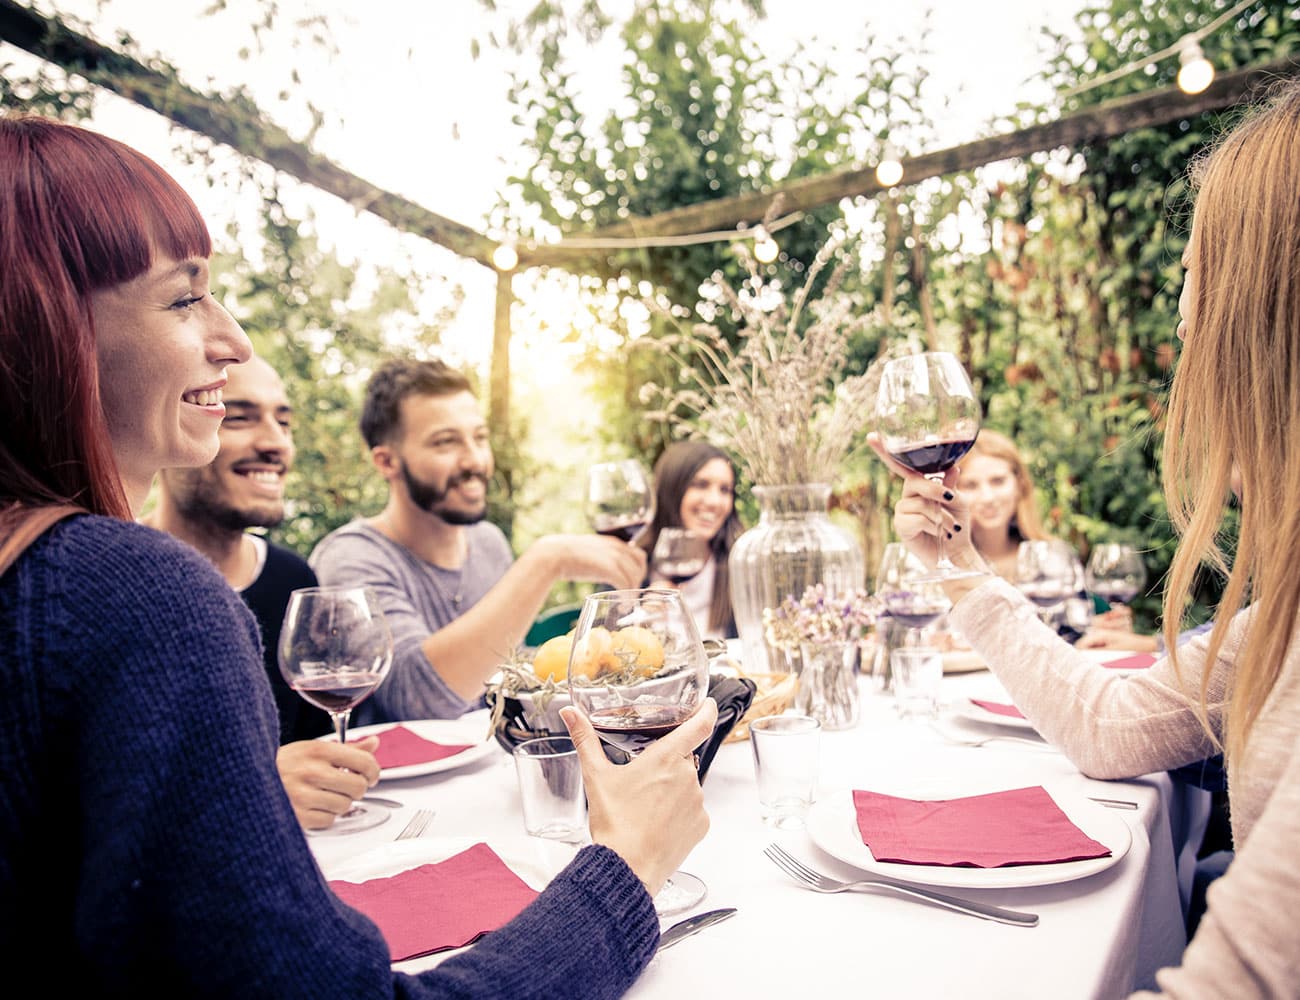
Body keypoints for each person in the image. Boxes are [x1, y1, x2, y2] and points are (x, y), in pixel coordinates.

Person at [0, 114, 714, 997]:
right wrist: (626, 869)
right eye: (186, 297)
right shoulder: (134, 593)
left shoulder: (46, 586)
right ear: (48, 327)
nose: (234, 340)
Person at [870, 79, 1300, 996]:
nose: (1180, 311)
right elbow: (1109, 728)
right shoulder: (1283, 620)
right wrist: (957, 570)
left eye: (1196, 276)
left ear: (1262, 325)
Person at [309, 358, 646, 725]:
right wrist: (547, 561)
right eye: (445, 442)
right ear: (387, 461)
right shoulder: (351, 558)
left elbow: (509, 682)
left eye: (479, 437)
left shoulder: (488, 543)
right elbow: (418, 700)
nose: (475, 460)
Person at [143, 355, 382, 831]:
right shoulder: (108, 585)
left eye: (284, 421)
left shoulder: (293, 580)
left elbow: (315, 757)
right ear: (166, 432)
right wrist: (247, 790)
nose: (275, 443)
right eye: (238, 417)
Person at [639, 440, 744, 640]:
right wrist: (643, 617)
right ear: (672, 489)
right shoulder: (631, 566)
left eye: (725, 490)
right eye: (701, 485)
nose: (715, 501)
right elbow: (598, 655)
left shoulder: (737, 564)